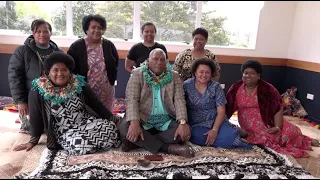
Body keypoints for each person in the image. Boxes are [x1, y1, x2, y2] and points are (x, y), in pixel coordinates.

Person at [12, 52, 121, 155]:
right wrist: (33, 140)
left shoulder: (79, 84)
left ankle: (94, 144)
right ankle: (94, 145)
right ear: (47, 72)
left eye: (64, 70)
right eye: (55, 70)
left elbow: (96, 105)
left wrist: (113, 118)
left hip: (86, 122)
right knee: (79, 144)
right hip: (63, 131)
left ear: (70, 72)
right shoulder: (38, 90)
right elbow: (35, 117)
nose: (60, 74)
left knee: (109, 127)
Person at [226, 60, 320, 158]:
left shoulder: (268, 89)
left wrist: (278, 127)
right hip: (250, 125)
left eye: (252, 73)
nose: (248, 76)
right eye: (245, 73)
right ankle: (304, 141)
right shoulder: (236, 88)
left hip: (269, 121)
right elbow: (227, 107)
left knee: (292, 131)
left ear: (259, 75)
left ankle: (305, 140)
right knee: (268, 138)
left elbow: (278, 107)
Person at [119, 48, 195, 158]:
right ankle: (169, 148)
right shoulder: (137, 73)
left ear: (166, 62)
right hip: (143, 119)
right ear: (148, 60)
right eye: (155, 59)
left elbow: (179, 100)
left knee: (186, 131)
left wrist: (182, 122)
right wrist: (135, 123)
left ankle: (137, 142)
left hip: (166, 120)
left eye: (162, 59)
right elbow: (132, 99)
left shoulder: (174, 76)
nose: (159, 62)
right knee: (124, 127)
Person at [183, 58, 252, 149]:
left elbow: (221, 111)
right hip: (196, 124)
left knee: (230, 139)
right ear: (195, 72)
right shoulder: (186, 85)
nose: (204, 75)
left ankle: (235, 132)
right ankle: (232, 132)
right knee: (192, 137)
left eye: (207, 72)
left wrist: (215, 130)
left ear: (211, 74)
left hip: (216, 121)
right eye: (201, 72)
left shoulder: (216, 87)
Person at [8, 19, 62, 134]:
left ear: (50, 33)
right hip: (30, 96)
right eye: (38, 31)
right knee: (31, 131)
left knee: (52, 130)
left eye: (46, 31)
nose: (42, 34)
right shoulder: (22, 51)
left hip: (53, 96)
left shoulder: (58, 52)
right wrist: (21, 101)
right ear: (33, 33)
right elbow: (14, 77)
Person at [67, 14, 119, 111]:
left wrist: (112, 78)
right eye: (93, 27)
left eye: (100, 28)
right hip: (85, 90)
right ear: (86, 29)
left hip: (107, 91)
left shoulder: (109, 45)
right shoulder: (77, 46)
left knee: (107, 116)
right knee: (88, 116)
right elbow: (69, 67)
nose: (97, 30)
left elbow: (115, 62)